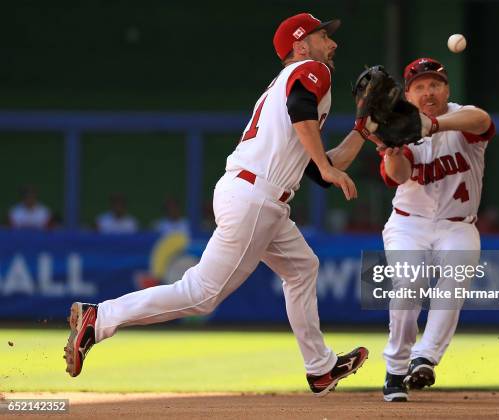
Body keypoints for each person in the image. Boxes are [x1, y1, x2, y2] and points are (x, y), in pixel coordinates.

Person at [64, 12, 371, 396]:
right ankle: (100, 318)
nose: (333, 43)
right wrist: (326, 167)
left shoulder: (288, 92)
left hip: (258, 195)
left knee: (302, 268)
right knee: (201, 295)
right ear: (301, 44)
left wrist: (362, 129)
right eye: (324, 35)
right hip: (256, 196)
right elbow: (305, 116)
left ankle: (320, 367)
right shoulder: (311, 70)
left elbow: (317, 167)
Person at [366, 58, 495, 402]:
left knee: (455, 276)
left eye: (434, 84)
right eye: (420, 86)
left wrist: (433, 125)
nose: (428, 91)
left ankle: (424, 358)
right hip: (409, 223)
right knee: (409, 283)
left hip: (458, 226)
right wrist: (390, 151)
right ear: (408, 94)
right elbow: (399, 175)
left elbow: (482, 120)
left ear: (446, 90)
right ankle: (395, 369)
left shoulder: (460, 116)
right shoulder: (400, 125)